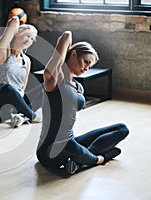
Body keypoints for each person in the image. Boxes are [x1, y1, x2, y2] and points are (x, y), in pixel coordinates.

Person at [36, 31, 129, 176]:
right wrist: (67, 35)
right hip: (49, 151)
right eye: (85, 62)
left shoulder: (78, 86)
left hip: (71, 141)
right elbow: (64, 38)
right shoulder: (55, 81)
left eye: (89, 66)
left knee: (122, 129)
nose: (86, 68)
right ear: (73, 54)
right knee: (69, 144)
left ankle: (78, 162)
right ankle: (96, 159)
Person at [0, 16, 42, 127]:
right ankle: (30, 116)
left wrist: (21, 104)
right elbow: (13, 22)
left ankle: (21, 116)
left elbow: (22, 87)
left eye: (32, 38)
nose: (29, 40)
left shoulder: (26, 61)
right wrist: (16, 21)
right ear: (17, 33)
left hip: (16, 105)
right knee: (8, 88)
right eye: (27, 35)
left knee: (45, 87)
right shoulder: (4, 54)